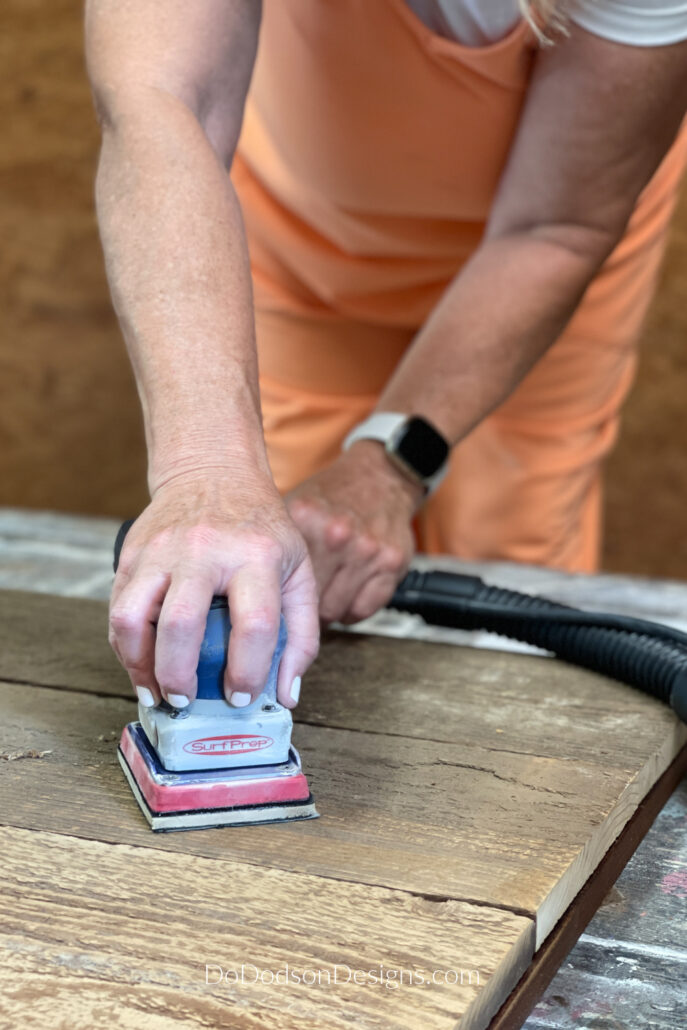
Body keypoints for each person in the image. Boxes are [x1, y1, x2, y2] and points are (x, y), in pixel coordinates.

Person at [86, 0, 687, 713]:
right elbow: (156, 102)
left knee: (511, 581)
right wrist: (209, 470)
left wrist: (389, 468)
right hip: (304, 238)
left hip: (545, 242)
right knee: (285, 573)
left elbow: (553, 229)